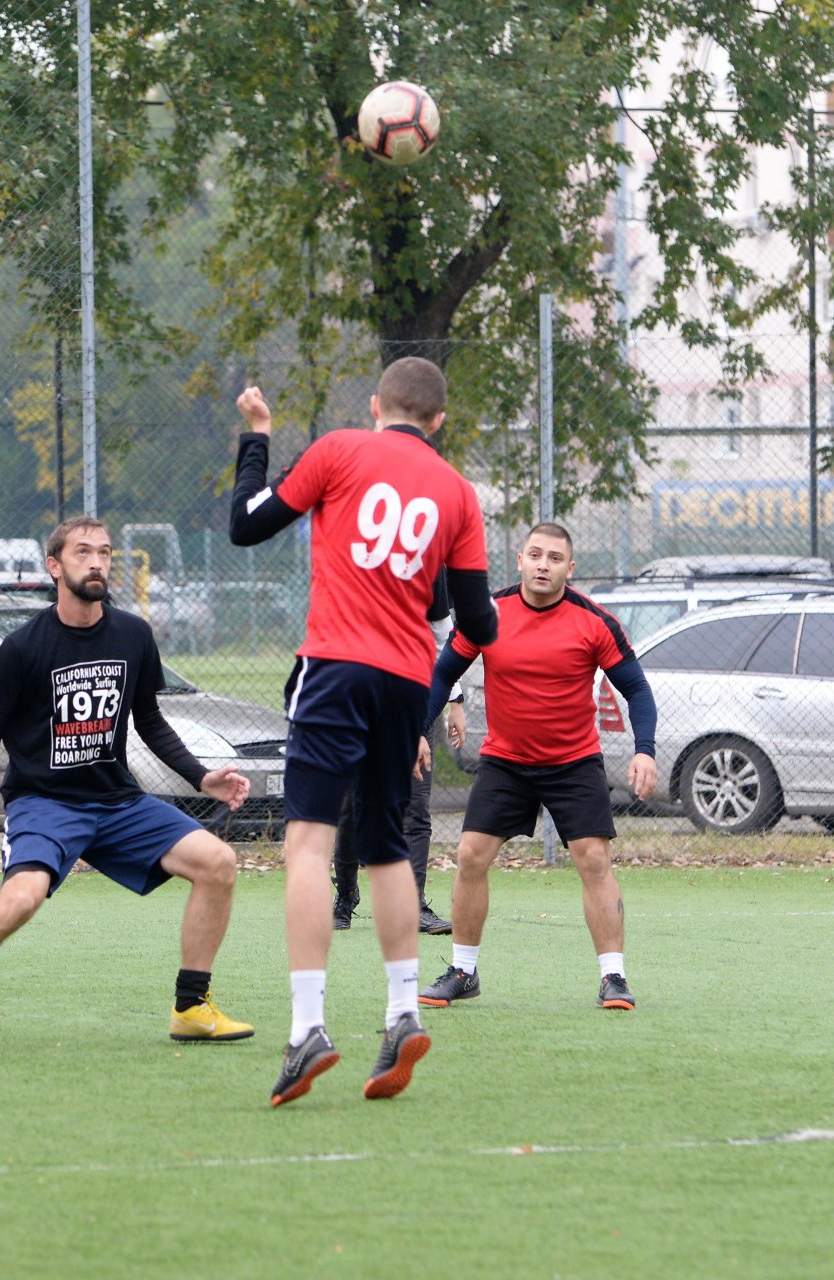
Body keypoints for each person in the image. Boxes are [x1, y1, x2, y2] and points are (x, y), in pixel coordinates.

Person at [228, 358, 497, 1108]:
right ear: (438, 421)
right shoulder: (456, 492)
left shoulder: (340, 450)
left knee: (310, 843)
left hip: (336, 667)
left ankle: (308, 1026)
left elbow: (247, 525)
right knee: (386, 850)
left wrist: (258, 438)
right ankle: (401, 1010)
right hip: (407, 681)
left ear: (376, 405)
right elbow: (475, 621)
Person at [0, 515, 255, 1056]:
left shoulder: (133, 635)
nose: (96, 563)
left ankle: (191, 1008)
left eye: (105, 553)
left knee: (218, 863)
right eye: (83, 552)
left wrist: (202, 777)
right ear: (55, 565)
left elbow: (151, 722)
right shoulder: (22, 649)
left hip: (119, 802)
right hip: (44, 804)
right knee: (20, 900)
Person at [417, 522, 659, 1012]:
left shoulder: (594, 622)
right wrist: (418, 732)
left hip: (574, 762)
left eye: (554, 558)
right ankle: (464, 970)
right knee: (470, 855)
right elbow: (443, 673)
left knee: (593, 859)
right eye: (535, 555)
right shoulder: (488, 615)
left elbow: (636, 688)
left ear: (570, 569)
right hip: (506, 762)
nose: (543, 565)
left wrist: (645, 749)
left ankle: (613, 978)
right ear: (521, 561)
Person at [333, 573, 463, 935]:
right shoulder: (355, 554)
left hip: (413, 701)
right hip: (357, 700)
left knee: (415, 806)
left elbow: (444, 638)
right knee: (351, 807)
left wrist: (456, 700)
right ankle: (345, 897)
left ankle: (413, 903)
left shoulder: (431, 561)